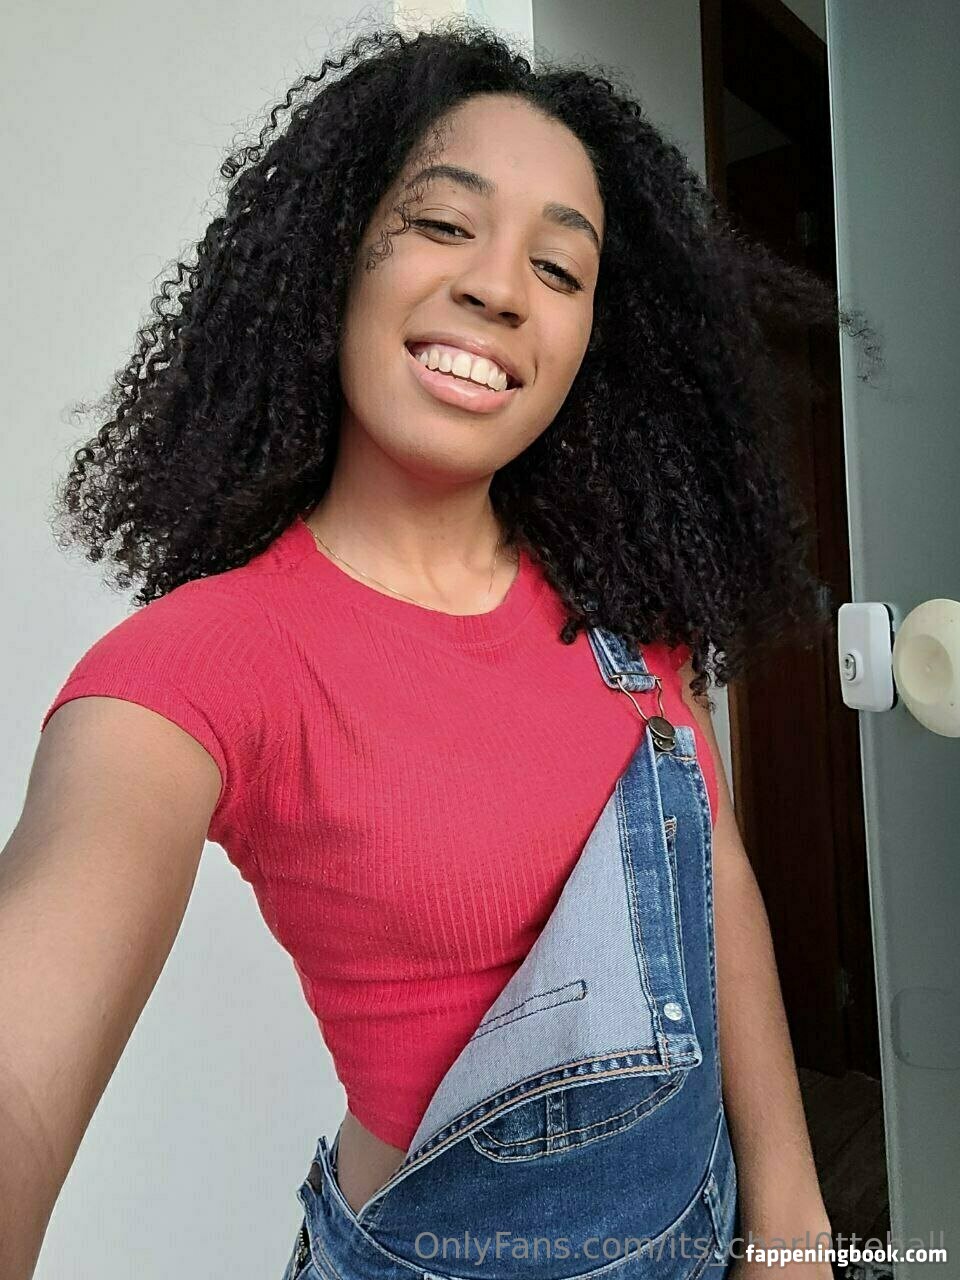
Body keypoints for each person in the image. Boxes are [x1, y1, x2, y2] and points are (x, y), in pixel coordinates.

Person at [1, 19, 867, 1280]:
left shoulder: (627, 604)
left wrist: (790, 1225)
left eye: (559, 269)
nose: (500, 288)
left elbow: (710, 873)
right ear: (335, 254)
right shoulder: (202, 662)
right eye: (445, 223)